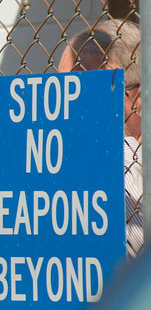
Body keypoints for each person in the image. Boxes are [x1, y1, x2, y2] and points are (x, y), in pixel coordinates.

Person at [58, 20, 142, 256]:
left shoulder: (120, 165)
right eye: (58, 91)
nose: (64, 110)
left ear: (140, 98)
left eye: (83, 91)